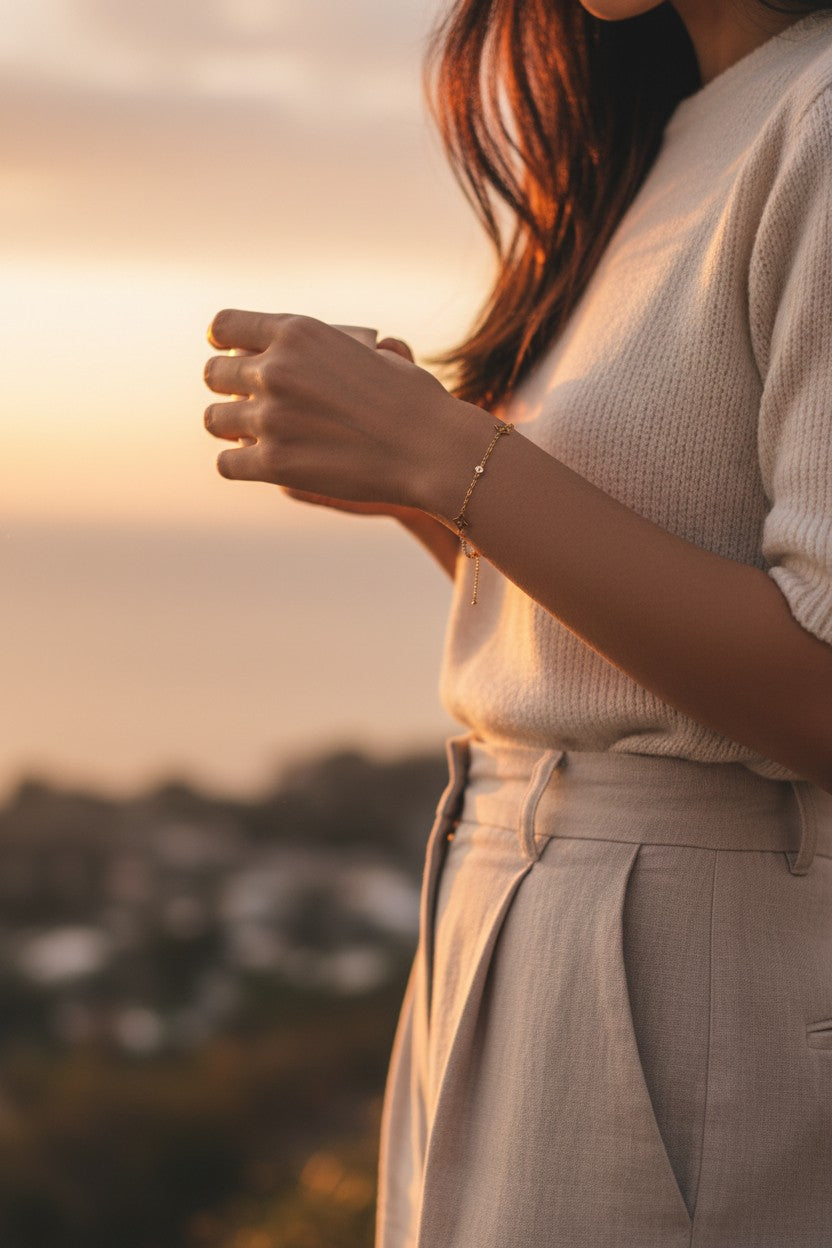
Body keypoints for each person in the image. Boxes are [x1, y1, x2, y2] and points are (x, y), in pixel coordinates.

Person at [202, 0, 832, 1241]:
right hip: (514, 908)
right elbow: (634, 666)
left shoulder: (815, 115)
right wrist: (425, 488)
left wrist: (453, 459)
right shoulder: (668, 130)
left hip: (691, 955)